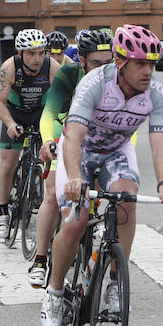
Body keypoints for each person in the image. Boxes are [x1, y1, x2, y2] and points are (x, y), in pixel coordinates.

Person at [40, 24, 163, 326]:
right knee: (76, 221)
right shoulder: (94, 85)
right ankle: (55, 291)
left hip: (117, 151)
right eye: (141, 63)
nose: (148, 71)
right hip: (81, 150)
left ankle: (115, 283)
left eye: (152, 63)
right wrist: (75, 178)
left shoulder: (155, 94)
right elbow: (74, 137)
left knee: (127, 204)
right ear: (120, 62)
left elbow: (160, 142)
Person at [27, 29, 114, 288]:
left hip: (99, 140)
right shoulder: (68, 74)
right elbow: (49, 112)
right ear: (83, 60)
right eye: (97, 63)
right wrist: (47, 141)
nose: (103, 68)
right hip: (64, 132)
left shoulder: (116, 79)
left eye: (108, 62)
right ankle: (41, 259)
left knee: (106, 198)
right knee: (53, 193)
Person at [0, 29, 60, 238]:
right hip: (15, 114)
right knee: (8, 164)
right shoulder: (8, 68)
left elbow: (65, 102)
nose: (37, 58)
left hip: (42, 115)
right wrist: (10, 124)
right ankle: (3, 212)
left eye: (41, 52)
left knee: (52, 158)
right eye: (31, 53)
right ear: (20, 54)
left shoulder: (53, 67)